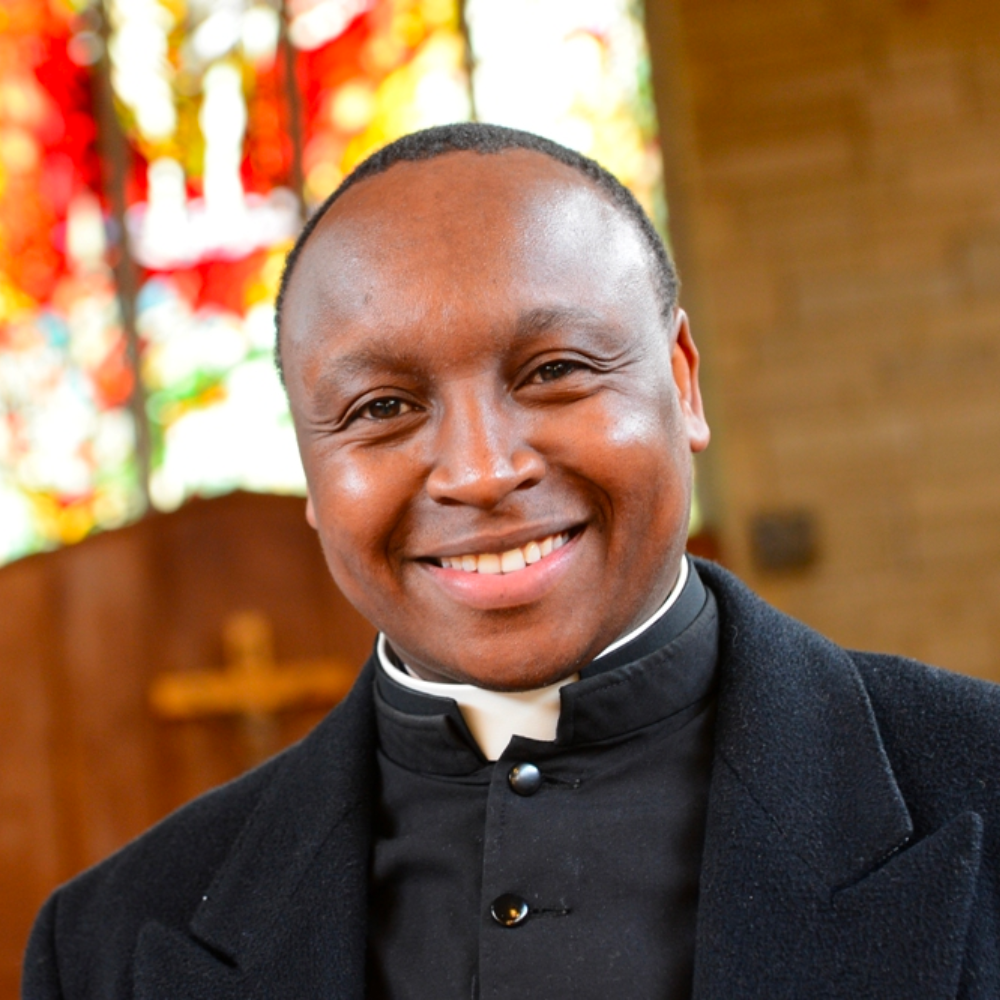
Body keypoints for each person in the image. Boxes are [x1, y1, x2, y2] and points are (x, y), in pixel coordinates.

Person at [23, 123, 1000, 999]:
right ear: (312, 474)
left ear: (682, 381)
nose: (484, 472)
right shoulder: (107, 946)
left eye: (554, 371)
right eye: (382, 408)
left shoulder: (979, 785)